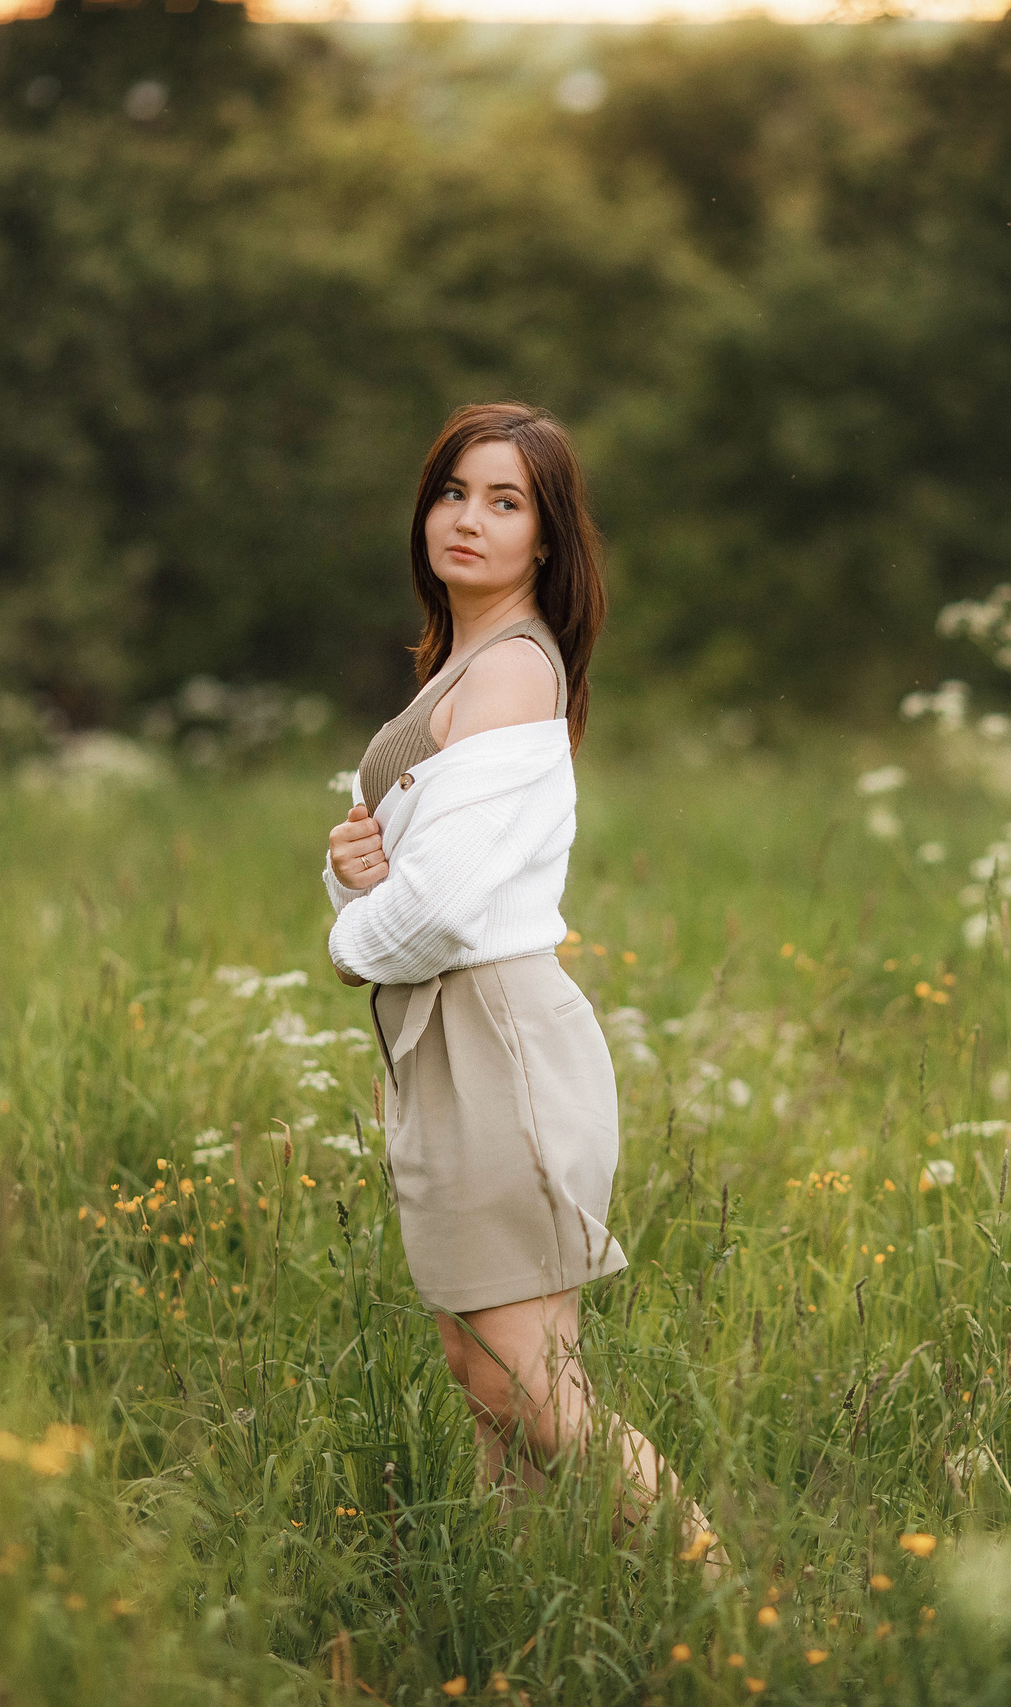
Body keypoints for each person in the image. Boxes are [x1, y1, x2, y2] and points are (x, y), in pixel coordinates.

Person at [321, 401, 719, 1568]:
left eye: (507, 503)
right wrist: (354, 878)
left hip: (493, 1037)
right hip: (455, 1038)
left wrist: (353, 938)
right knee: (490, 1383)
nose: (471, 520)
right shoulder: (464, 664)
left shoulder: (509, 675)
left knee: (532, 1392)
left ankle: (744, 1608)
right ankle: (523, 1624)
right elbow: (408, 871)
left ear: (545, 539)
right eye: (454, 492)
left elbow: (439, 910)